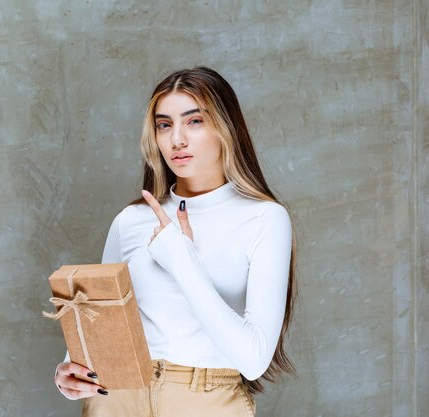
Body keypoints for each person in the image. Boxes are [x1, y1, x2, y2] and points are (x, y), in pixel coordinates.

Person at [53, 66, 298, 417]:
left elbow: (254, 360)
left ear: (226, 128)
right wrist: (70, 374)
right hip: (118, 400)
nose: (176, 140)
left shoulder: (264, 219)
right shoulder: (131, 220)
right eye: (164, 124)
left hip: (206, 401)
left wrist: (181, 259)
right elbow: (100, 328)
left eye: (194, 121)